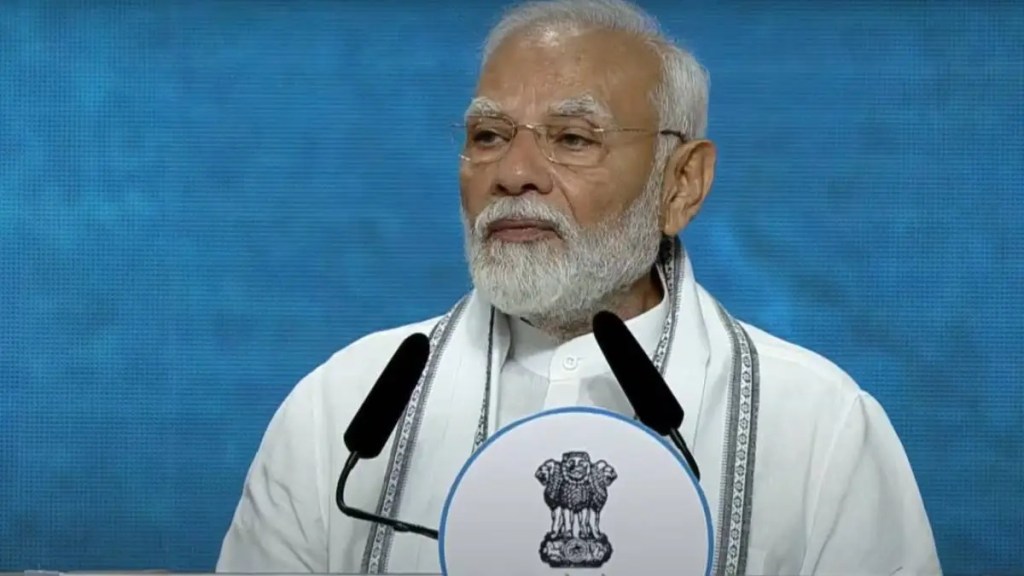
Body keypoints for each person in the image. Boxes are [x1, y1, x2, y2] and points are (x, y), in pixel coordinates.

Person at [215, 0, 941, 574]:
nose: (514, 173)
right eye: (489, 136)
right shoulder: (341, 412)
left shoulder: (818, 428)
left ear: (681, 185)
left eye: (571, 139)